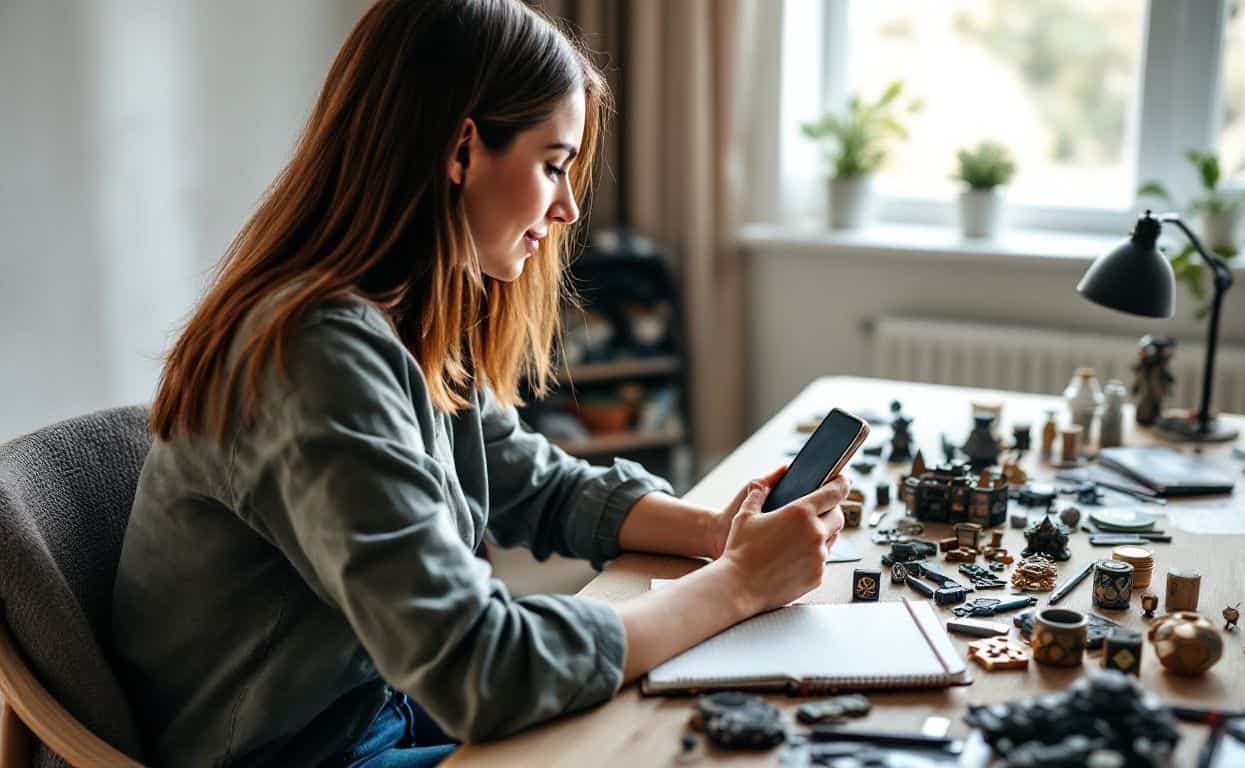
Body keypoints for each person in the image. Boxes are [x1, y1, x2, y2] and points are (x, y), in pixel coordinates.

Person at [108, 1, 848, 766]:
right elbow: (478, 669)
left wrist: (716, 533)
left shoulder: (399, 316)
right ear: (462, 149)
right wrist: (736, 587)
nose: (566, 208)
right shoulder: (316, 354)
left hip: (370, 713)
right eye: (553, 164)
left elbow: (533, 484)